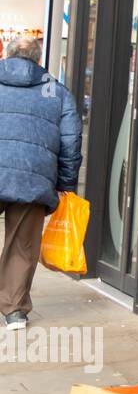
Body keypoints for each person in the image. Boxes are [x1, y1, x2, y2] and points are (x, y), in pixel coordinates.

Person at [0, 37, 81, 330]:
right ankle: (14, 310)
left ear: (8, 55)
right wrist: (67, 186)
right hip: (33, 178)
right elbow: (71, 142)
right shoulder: (56, 91)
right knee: (22, 244)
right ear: (37, 59)